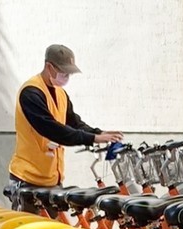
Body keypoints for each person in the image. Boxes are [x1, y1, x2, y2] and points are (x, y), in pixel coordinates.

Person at [7, 44, 122, 207]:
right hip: (28, 180)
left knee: (53, 225)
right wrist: (93, 138)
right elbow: (53, 130)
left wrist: (99, 133)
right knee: (30, 224)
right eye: (64, 72)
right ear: (49, 67)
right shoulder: (31, 92)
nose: (67, 77)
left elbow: (74, 122)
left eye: (70, 73)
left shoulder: (60, 93)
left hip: (52, 180)